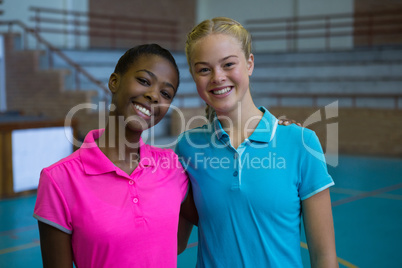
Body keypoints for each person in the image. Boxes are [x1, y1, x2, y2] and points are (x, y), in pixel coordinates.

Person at [176, 17, 338, 267]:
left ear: (249, 63)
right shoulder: (187, 148)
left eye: (228, 64)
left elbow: (324, 257)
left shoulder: (301, 142)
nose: (218, 77)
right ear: (194, 75)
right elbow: (172, 243)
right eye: (204, 69)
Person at [33, 44, 189, 268]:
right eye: (144, 81)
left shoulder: (172, 166)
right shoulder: (58, 179)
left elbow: (177, 243)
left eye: (166, 93)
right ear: (114, 81)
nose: (154, 95)